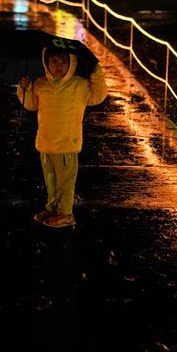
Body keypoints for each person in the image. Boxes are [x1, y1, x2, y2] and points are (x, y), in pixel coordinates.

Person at [17, 47, 108, 228]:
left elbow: (98, 95)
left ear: (71, 63)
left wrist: (95, 71)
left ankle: (66, 213)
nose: (58, 66)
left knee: (65, 182)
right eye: (54, 62)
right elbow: (31, 104)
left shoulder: (79, 85)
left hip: (67, 143)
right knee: (50, 180)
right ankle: (52, 207)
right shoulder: (41, 83)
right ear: (46, 63)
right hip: (45, 142)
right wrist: (24, 88)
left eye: (63, 62)